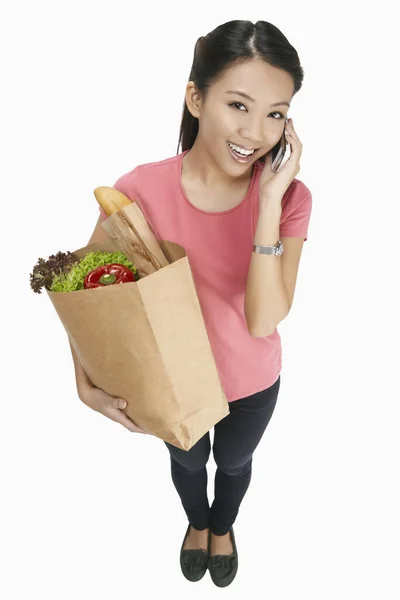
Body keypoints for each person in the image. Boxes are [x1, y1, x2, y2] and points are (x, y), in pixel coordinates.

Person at [71, 19, 312, 587]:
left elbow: (262, 319)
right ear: (196, 97)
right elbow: (87, 290)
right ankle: (196, 522)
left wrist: (270, 203)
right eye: (238, 105)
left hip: (250, 382)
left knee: (232, 463)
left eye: (275, 113)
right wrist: (83, 377)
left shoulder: (292, 199)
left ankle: (222, 525)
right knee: (184, 461)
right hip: (166, 381)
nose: (256, 132)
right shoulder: (137, 190)